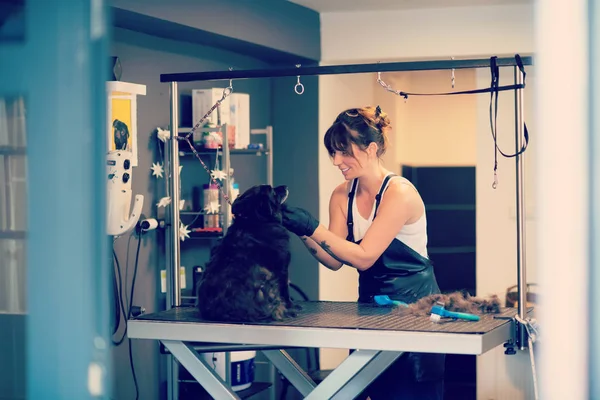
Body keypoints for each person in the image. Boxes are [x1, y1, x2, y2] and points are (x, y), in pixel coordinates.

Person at [281, 105, 445, 400]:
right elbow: (332, 259)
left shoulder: (400, 193)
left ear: (370, 148)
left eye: (344, 152)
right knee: (375, 390)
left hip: (415, 314)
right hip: (370, 312)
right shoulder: (342, 195)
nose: (336, 161)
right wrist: (302, 231)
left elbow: (365, 256)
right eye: (333, 152)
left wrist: (312, 225)